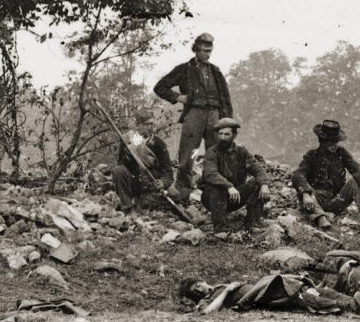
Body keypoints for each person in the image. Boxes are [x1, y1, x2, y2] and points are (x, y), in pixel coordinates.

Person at [153, 32, 234, 202]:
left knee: (217, 153)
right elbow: (160, 87)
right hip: (194, 114)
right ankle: (182, 192)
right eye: (204, 50)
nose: (207, 53)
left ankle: (215, 190)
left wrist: (227, 123)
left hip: (215, 116)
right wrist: (178, 97)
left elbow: (226, 99)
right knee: (188, 155)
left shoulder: (216, 72)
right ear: (196, 50)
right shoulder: (184, 69)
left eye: (210, 50)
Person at [291, 120, 360, 230]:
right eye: (331, 142)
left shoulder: (342, 153)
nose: (335, 145)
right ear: (322, 141)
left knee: (355, 182)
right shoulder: (311, 156)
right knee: (303, 191)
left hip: (337, 200)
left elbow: (357, 169)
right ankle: (321, 219)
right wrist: (305, 194)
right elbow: (298, 174)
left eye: (336, 142)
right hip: (316, 201)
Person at [198, 117, 270, 233]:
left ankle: (252, 223)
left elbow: (258, 169)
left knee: (259, 183)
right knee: (215, 187)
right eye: (220, 134)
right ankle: (221, 228)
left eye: (227, 134)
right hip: (213, 199)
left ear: (234, 135)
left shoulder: (242, 152)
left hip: (235, 196)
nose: (222, 138)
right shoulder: (212, 152)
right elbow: (210, 174)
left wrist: (264, 184)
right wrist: (228, 186)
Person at [110, 110, 174, 213]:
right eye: (146, 124)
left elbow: (168, 173)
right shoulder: (129, 140)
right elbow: (121, 166)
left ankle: (141, 203)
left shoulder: (158, 143)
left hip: (151, 186)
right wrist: (128, 157)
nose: (150, 127)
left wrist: (162, 182)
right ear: (138, 125)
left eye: (151, 124)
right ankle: (128, 207)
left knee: (159, 200)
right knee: (118, 171)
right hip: (135, 184)